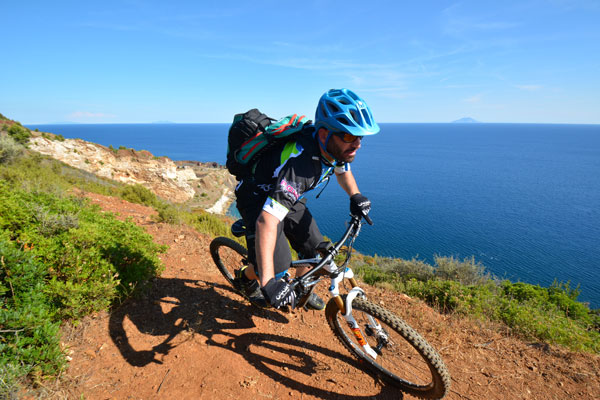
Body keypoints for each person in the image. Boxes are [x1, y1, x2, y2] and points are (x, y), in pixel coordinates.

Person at [233, 88, 380, 310]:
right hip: (256, 197)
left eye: (359, 136)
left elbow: (342, 170)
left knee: (315, 250)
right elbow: (267, 221)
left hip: (285, 195)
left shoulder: (333, 149)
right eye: (349, 136)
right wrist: (269, 283)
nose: (357, 144)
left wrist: (355, 195)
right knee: (276, 266)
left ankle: (299, 288)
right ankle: (245, 277)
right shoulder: (301, 167)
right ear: (324, 134)